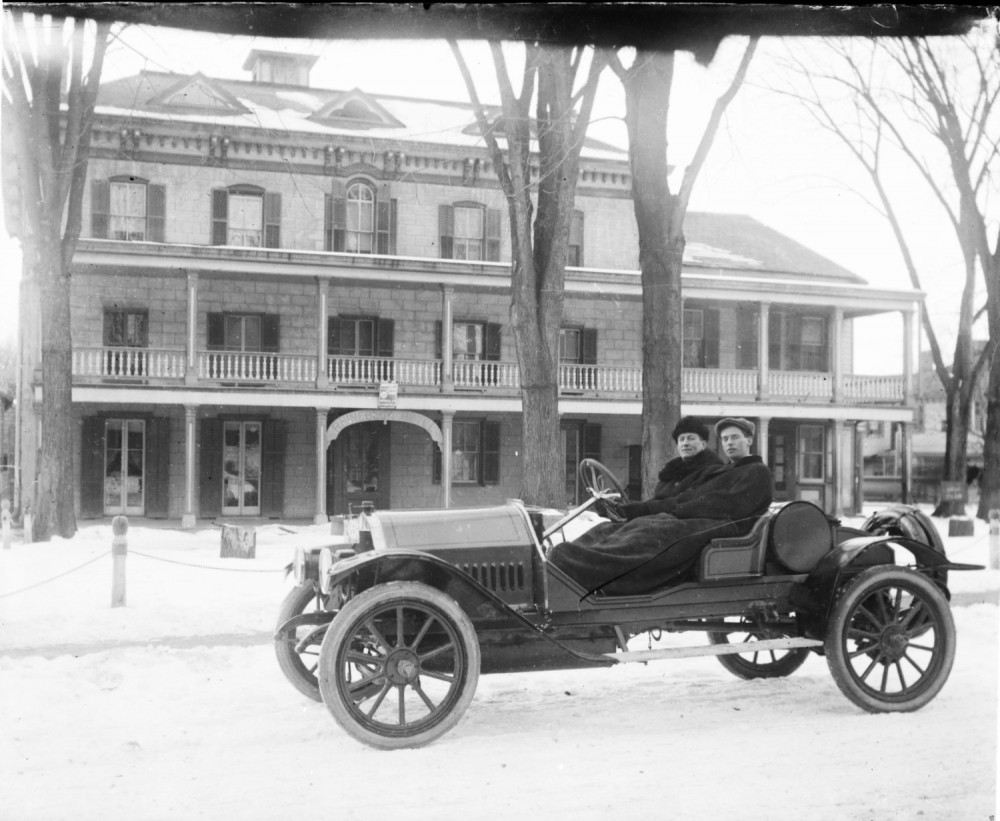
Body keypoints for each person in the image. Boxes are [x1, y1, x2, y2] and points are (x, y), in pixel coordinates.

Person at [549, 417, 773, 596]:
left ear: (749, 440)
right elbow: (692, 498)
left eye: (735, 438)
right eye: (725, 439)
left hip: (728, 525)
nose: (729, 443)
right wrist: (643, 510)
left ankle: (592, 568)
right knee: (639, 525)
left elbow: (729, 505)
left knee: (655, 531)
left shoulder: (757, 472)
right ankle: (571, 558)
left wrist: (679, 511)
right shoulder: (724, 471)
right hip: (705, 519)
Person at [616, 416, 724, 521]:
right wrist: (625, 507)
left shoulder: (712, 470)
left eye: (691, 438)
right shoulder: (672, 472)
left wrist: (640, 509)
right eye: (681, 439)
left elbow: (686, 500)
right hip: (663, 518)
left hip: (688, 521)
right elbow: (658, 500)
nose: (685, 443)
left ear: (704, 444)